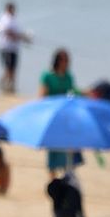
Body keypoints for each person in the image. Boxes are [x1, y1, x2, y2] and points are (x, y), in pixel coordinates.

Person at [39, 48, 81, 177]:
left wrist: (86, 94)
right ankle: (53, 179)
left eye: (68, 60)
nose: (67, 63)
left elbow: (73, 93)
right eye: (65, 60)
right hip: (52, 116)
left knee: (68, 146)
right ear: (58, 61)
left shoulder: (68, 77)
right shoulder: (47, 76)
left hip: (65, 116)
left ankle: (66, 177)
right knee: (53, 148)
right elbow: (42, 97)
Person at [0, 1, 31, 94]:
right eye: (12, 9)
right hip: (6, 47)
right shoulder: (5, 19)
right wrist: (20, 37)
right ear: (8, 9)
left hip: (14, 48)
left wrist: (23, 37)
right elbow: (8, 32)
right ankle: (6, 85)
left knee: (13, 68)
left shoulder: (14, 19)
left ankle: (11, 86)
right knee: (8, 68)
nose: (13, 10)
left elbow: (16, 32)